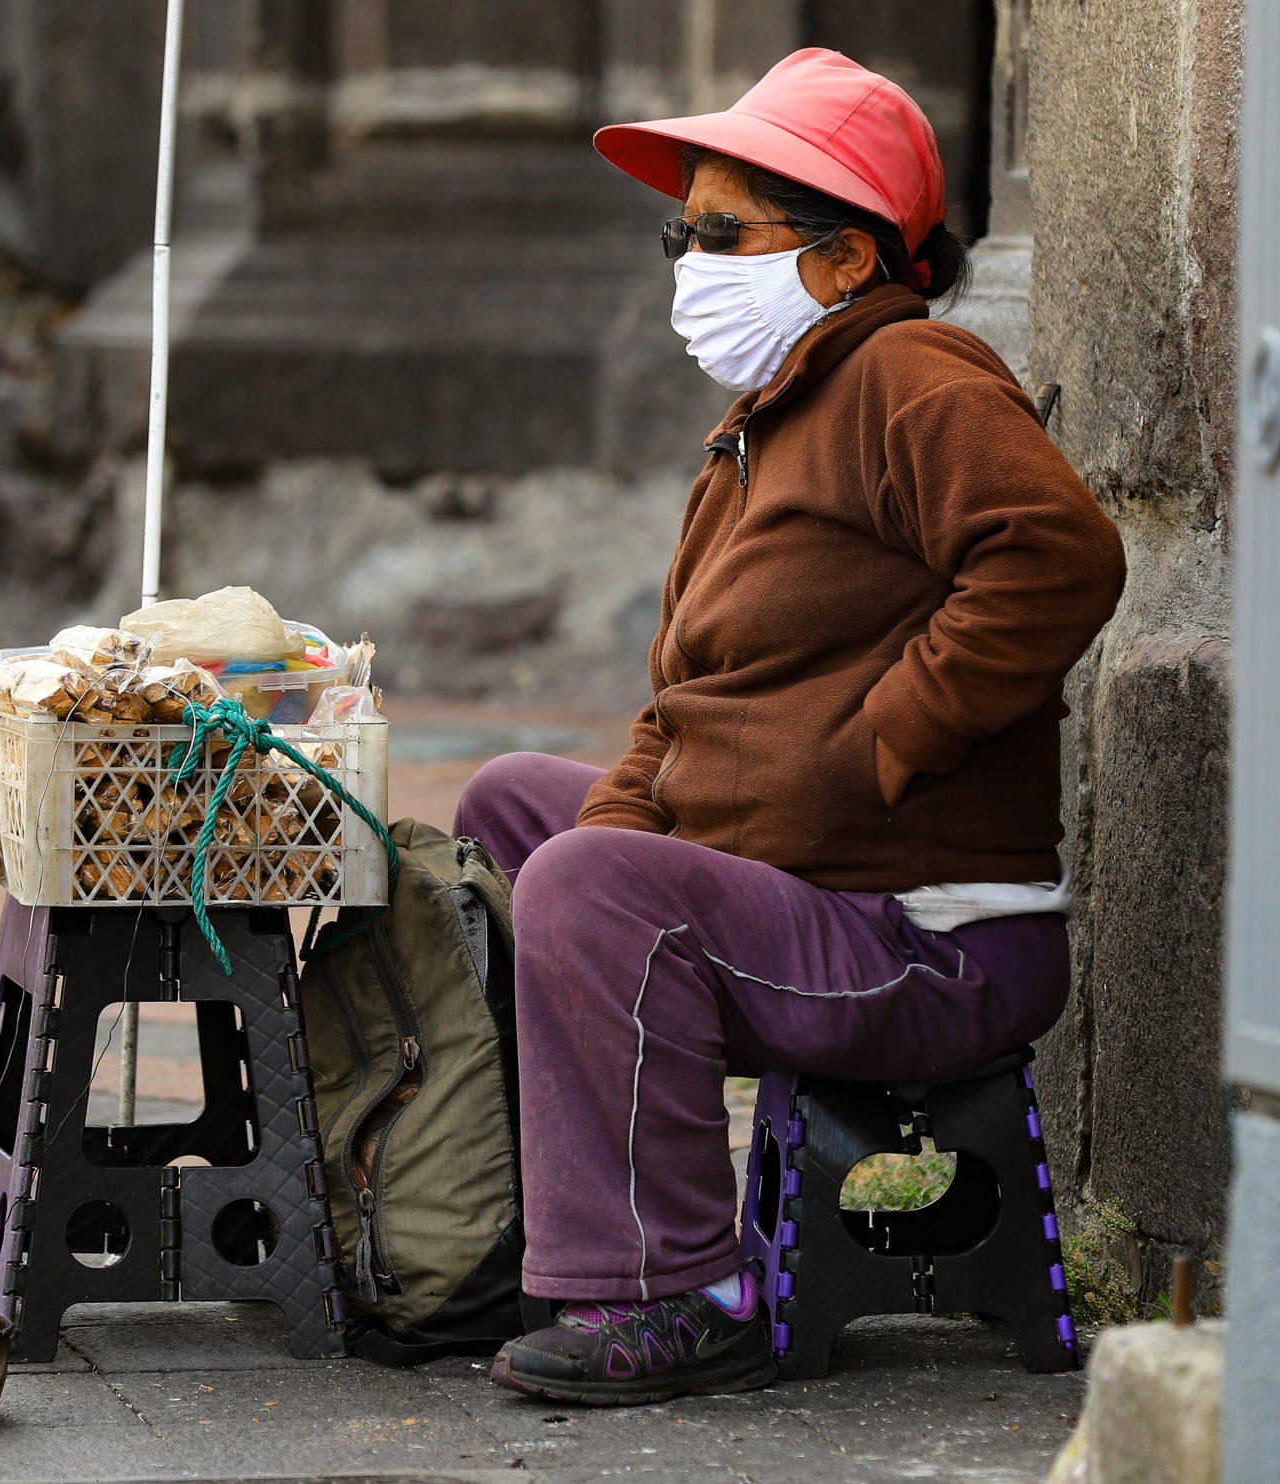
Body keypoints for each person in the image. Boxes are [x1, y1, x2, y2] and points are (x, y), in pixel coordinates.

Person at [456, 49, 1126, 1406]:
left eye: (722, 235)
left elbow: (1057, 555)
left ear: (840, 260)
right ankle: (531, 1234)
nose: (689, 261)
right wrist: (618, 834)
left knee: (589, 884)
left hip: (927, 942)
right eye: (683, 233)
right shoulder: (756, 432)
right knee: (519, 812)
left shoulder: (912, 371)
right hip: (793, 895)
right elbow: (679, 702)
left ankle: (676, 1290)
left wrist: (885, 740)